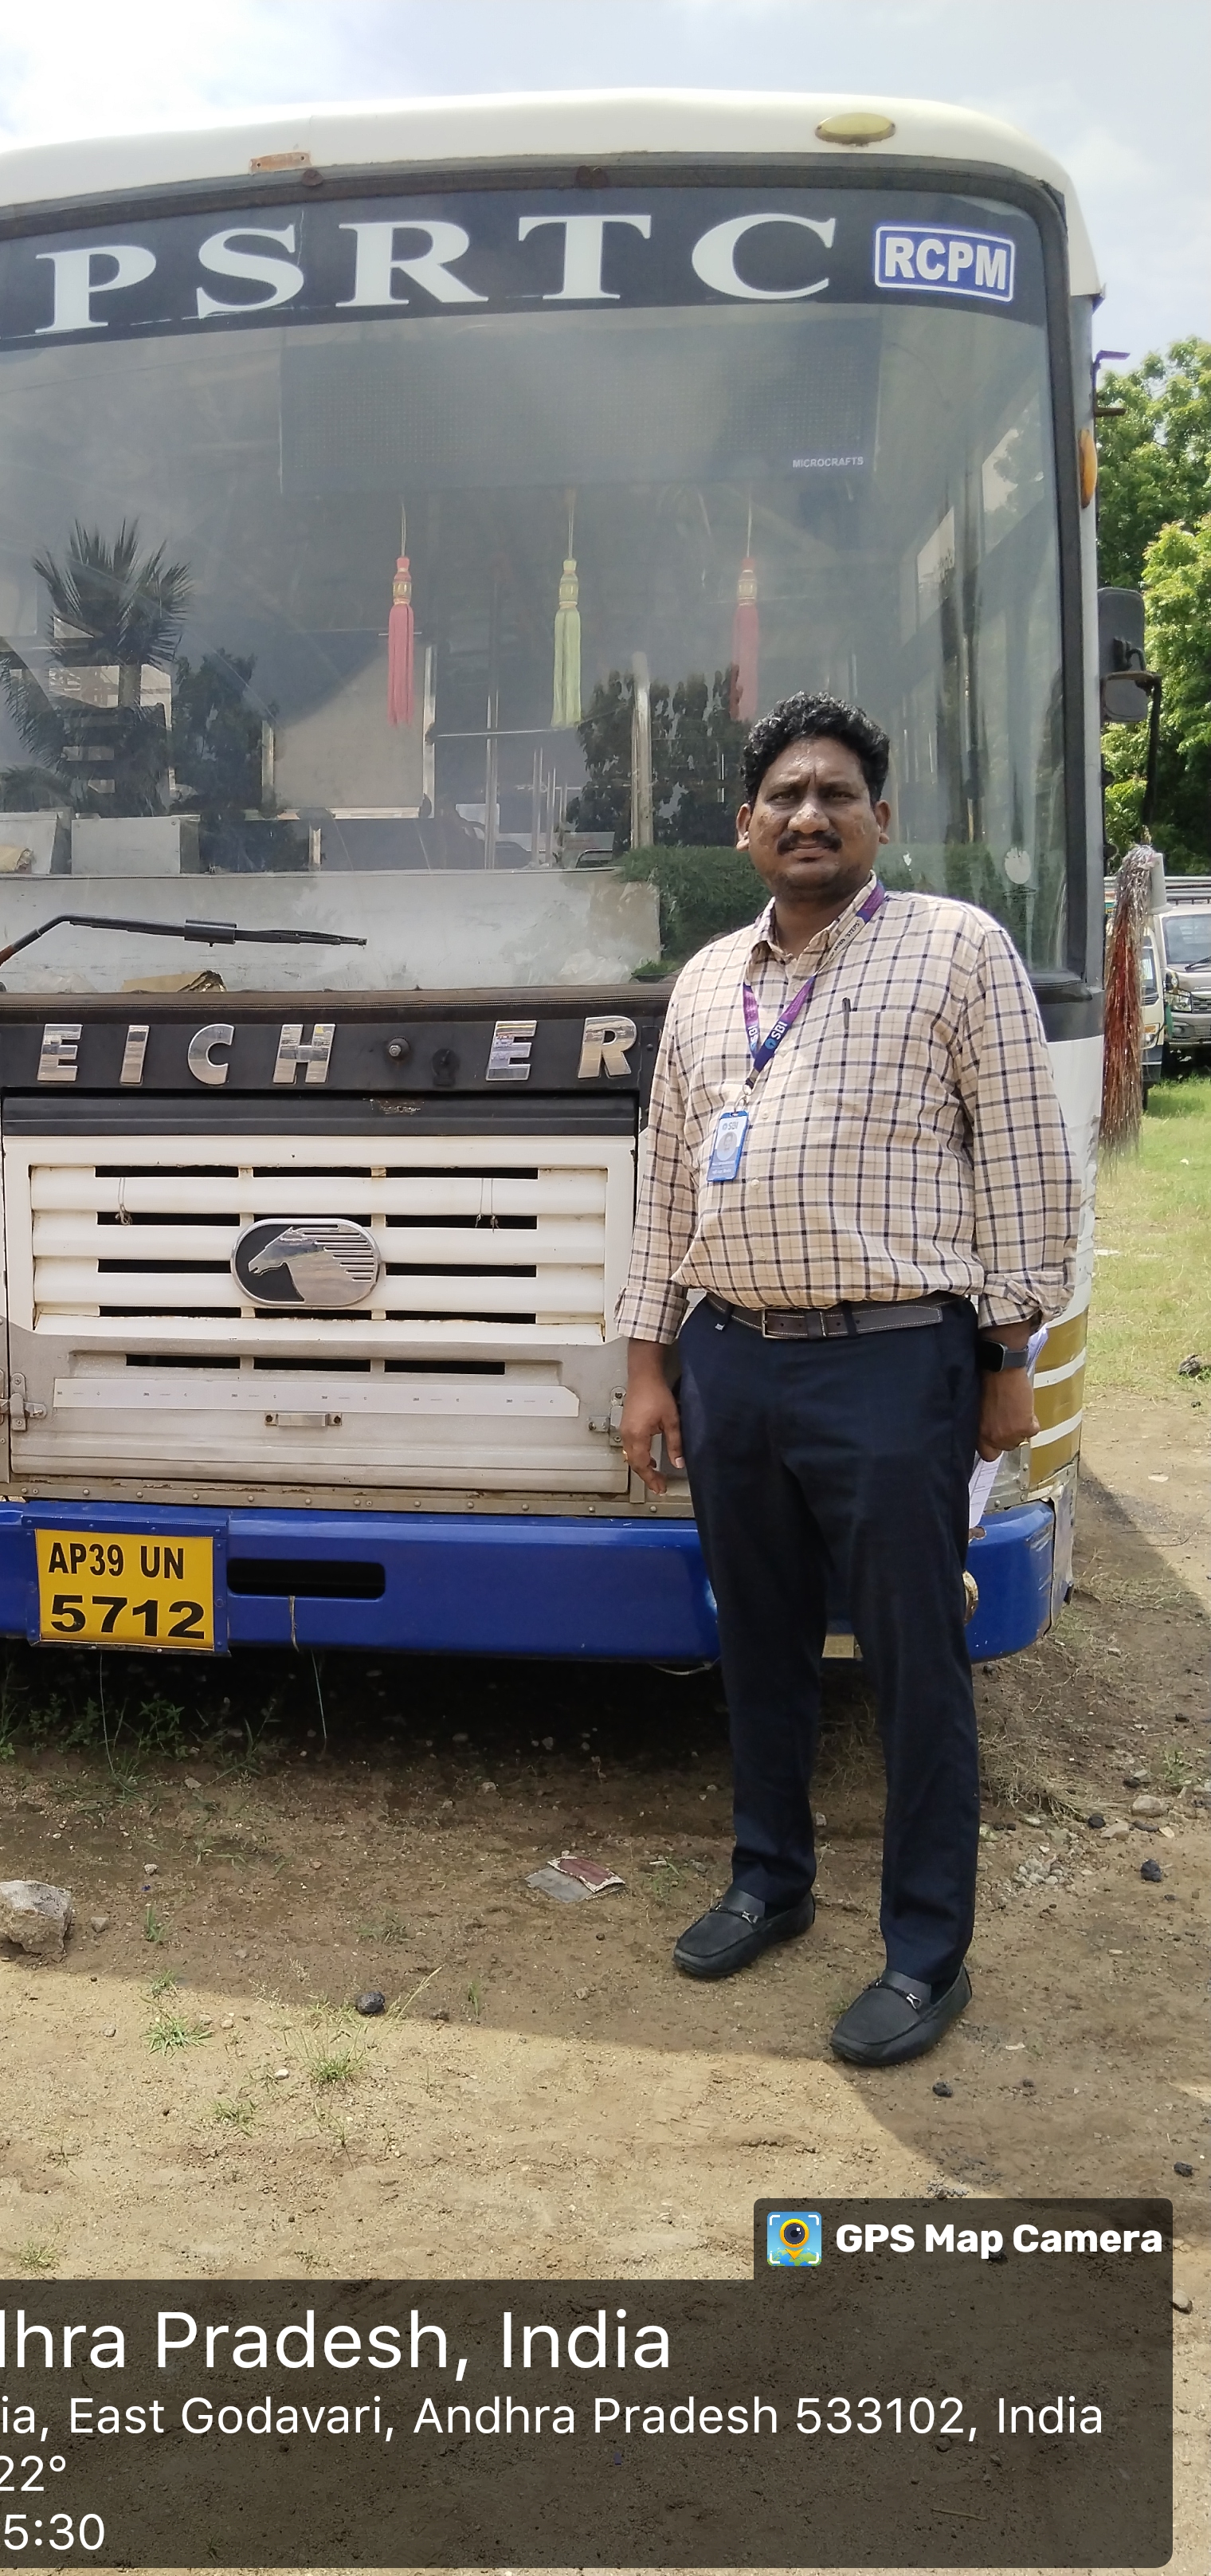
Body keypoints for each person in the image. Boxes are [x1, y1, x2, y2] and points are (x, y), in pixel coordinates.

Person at [616, 691, 1079, 2067]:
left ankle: (926, 1953)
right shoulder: (707, 981)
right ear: (746, 826)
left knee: (912, 1658)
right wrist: (649, 1367)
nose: (808, 814)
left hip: (894, 1362)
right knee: (756, 1637)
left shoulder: (957, 950)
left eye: (835, 794)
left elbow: (1026, 1168)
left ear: (880, 817)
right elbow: (662, 1187)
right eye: (784, 796)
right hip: (731, 1361)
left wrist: (1009, 1360)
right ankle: (770, 1879)